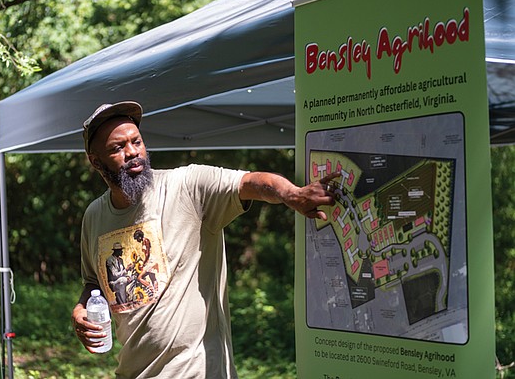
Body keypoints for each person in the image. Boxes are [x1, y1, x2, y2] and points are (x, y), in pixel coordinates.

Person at [71, 101, 339, 378]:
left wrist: (291, 195)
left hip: (197, 371)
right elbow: (94, 282)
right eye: (117, 148)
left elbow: (250, 182)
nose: (132, 153)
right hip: (132, 372)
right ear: (95, 160)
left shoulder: (186, 186)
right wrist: (81, 310)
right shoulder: (94, 217)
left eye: (136, 142)